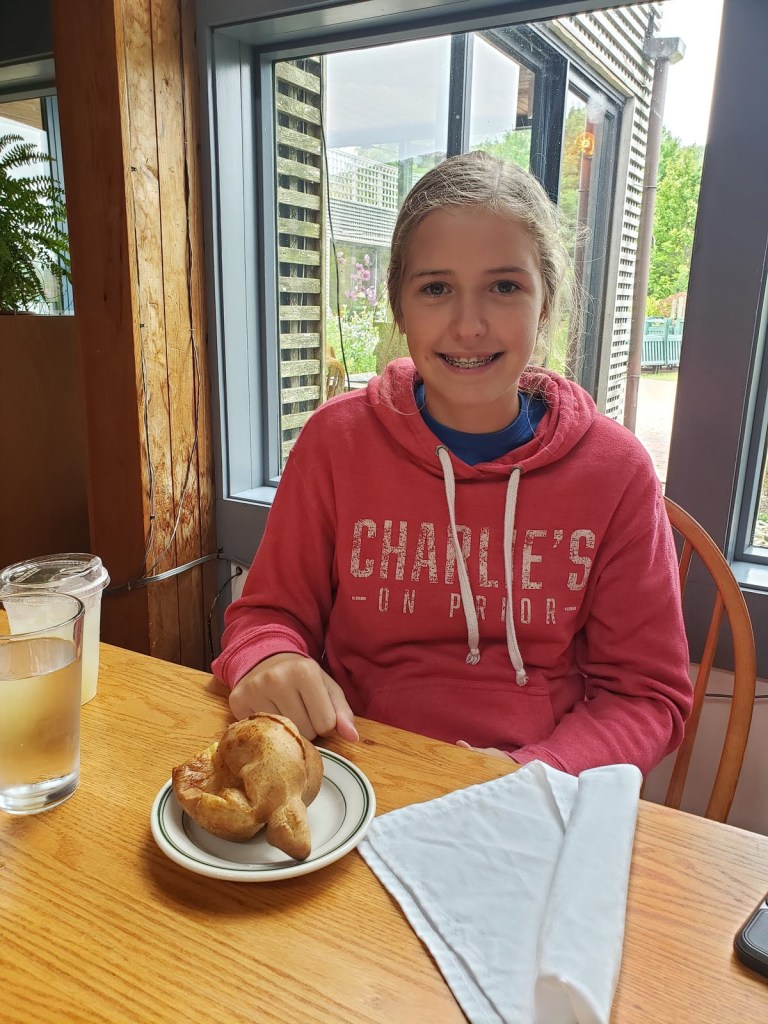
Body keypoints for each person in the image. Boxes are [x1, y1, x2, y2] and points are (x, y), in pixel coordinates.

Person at [212, 150, 692, 777]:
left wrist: (533, 773)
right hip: (359, 774)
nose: (469, 325)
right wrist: (267, 659)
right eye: (436, 288)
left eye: (504, 286)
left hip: (535, 793)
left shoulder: (616, 472)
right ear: (399, 307)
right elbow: (267, 616)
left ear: (544, 302)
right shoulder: (336, 441)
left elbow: (647, 695)